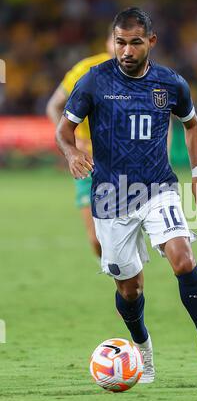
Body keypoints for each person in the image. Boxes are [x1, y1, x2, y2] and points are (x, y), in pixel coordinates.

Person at [56, 7, 197, 383]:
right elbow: (63, 131)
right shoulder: (92, 81)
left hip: (157, 188)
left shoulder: (171, 84)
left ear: (150, 42)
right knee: (130, 288)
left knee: (183, 259)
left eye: (135, 42)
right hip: (109, 197)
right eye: (120, 42)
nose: (126, 50)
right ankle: (143, 350)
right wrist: (72, 153)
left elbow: (193, 127)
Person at [46, 31, 114, 257]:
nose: (124, 48)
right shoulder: (86, 70)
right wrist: (71, 145)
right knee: (96, 240)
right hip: (89, 163)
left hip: (128, 163)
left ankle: (130, 283)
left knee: (128, 233)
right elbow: (54, 106)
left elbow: (164, 117)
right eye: (117, 40)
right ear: (107, 43)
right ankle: (124, 281)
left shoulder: (146, 75)